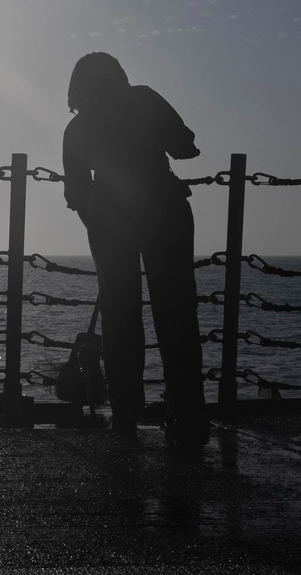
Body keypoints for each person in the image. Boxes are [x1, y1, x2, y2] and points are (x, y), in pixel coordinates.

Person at [61, 52, 209, 452]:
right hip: (165, 207)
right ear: (120, 76)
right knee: (176, 310)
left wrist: (100, 225)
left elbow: (76, 193)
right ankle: (188, 412)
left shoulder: (76, 129)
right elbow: (185, 146)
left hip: (108, 218)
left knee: (120, 315)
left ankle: (125, 415)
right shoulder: (144, 99)